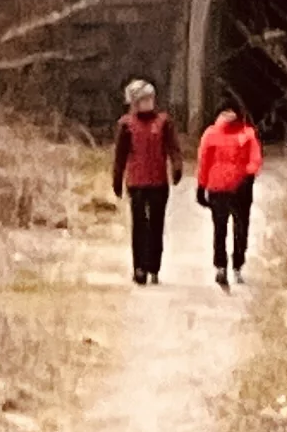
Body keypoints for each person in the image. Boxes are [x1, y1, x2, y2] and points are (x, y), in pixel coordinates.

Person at [111, 79, 179, 283]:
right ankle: (139, 267)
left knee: (156, 225)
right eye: (143, 100)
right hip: (137, 181)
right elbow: (120, 155)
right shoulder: (126, 125)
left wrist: (176, 166)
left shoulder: (163, 122)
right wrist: (117, 178)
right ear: (134, 103)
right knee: (140, 225)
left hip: (158, 181)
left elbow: (173, 147)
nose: (148, 103)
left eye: (150, 99)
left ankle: (154, 266)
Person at [194, 105, 263, 285]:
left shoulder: (245, 134)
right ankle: (226, 266)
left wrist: (248, 176)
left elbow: (255, 159)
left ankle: (230, 264)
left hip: (233, 188)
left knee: (231, 228)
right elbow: (204, 161)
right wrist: (201, 185)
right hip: (225, 189)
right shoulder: (215, 134)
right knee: (227, 228)